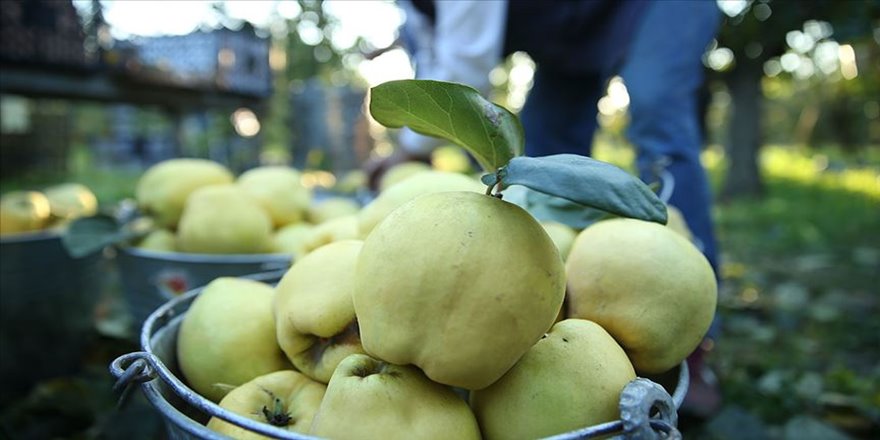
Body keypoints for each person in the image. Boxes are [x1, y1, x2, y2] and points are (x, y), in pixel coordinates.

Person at [367, 0, 723, 417]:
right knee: (544, 150)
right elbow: (435, 57)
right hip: (569, 35)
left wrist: (408, 150)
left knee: (656, 106)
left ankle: (695, 354)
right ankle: (567, 338)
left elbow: (465, 63)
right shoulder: (412, 10)